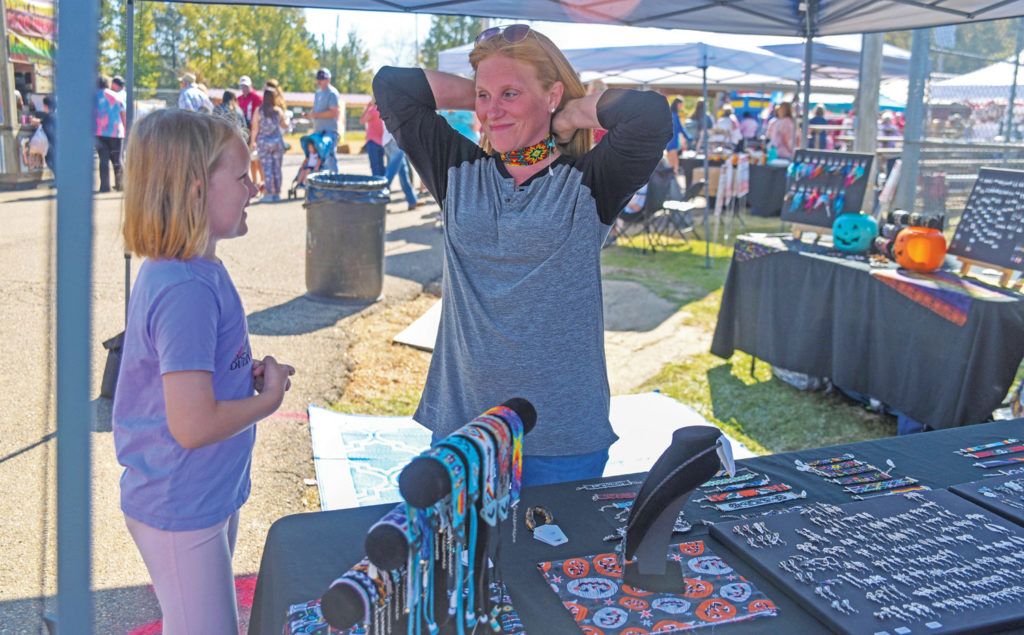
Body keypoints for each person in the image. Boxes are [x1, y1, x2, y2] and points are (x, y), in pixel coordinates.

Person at [373, 24, 671, 487]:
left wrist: (569, 115)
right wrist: (490, 91)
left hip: (561, 437)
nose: (492, 111)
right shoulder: (458, 170)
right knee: (462, 561)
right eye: (484, 96)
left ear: (551, 95)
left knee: (550, 560)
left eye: (510, 93)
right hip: (462, 427)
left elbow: (649, 115)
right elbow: (392, 86)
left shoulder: (589, 182)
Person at [113, 108, 294, 634]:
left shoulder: (196, 270)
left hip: (204, 493)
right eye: (241, 177)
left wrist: (242, 377)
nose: (254, 188)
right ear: (196, 189)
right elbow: (191, 426)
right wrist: (269, 398)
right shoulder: (186, 289)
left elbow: (196, 374)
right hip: (182, 502)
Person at [250, 87, 288, 203]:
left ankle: (268, 193)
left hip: (264, 143)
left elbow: (255, 129)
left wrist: (253, 142)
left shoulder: (259, 111)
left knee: (267, 168)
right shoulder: (278, 111)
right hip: (277, 142)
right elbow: (284, 125)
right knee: (277, 168)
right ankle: (277, 193)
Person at [94, 74, 126, 192]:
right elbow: (123, 113)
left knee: (103, 159)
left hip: (98, 132)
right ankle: (121, 185)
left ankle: (104, 186)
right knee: (117, 159)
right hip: (116, 131)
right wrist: (126, 129)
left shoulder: (92, 97)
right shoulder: (116, 96)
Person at [308, 68, 340, 171]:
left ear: (328, 79)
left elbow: (333, 112)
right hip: (318, 132)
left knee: (330, 159)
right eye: (318, 78)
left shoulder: (332, 93)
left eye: (322, 78)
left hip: (329, 132)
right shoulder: (317, 94)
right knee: (318, 160)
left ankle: (336, 183)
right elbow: (316, 110)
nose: (319, 81)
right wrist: (310, 115)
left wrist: (315, 114)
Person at [381, 122, 418, 210]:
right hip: (396, 141)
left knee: (403, 172)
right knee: (390, 173)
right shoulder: (397, 107)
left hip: (388, 141)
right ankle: (379, 198)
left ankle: (412, 200)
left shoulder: (385, 107)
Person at [236, 75, 264, 192]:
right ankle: (255, 182)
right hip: (245, 133)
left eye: (246, 86)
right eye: (242, 86)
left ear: (250, 86)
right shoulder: (239, 99)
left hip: (256, 132)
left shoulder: (257, 98)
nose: (244, 88)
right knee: (251, 159)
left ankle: (263, 183)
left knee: (259, 160)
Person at [664, 98, 692, 176]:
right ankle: (673, 178)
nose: (681, 106)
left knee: (671, 160)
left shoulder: (669, 114)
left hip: (668, 140)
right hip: (672, 140)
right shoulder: (674, 116)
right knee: (674, 161)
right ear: (678, 104)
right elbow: (680, 128)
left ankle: (672, 178)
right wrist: (689, 138)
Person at [359, 98, 386, 176]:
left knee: (374, 166)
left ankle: (377, 185)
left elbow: (362, 121)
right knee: (381, 165)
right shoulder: (383, 110)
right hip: (382, 141)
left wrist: (367, 108)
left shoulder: (373, 111)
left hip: (372, 141)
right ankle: (384, 183)